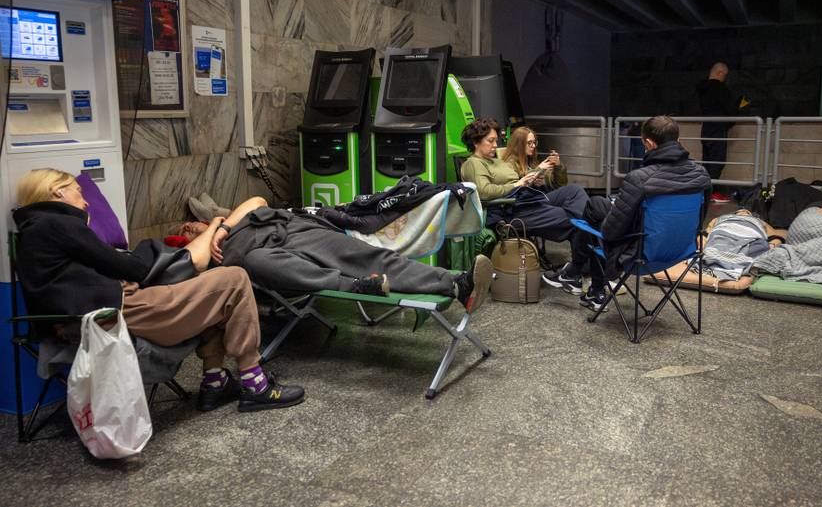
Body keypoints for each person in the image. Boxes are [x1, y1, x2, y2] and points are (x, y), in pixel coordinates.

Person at [13, 169, 305, 413]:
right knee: (234, 279)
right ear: (58, 192)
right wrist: (150, 254)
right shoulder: (59, 223)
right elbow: (130, 269)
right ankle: (255, 384)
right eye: (78, 191)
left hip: (82, 321)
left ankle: (215, 384)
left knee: (213, 296)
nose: (86, 201)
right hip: (119, 312)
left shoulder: (30, 230)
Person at [174, 197, 493, 314]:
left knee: (366, 256)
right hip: (258, 258)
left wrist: (219, 225)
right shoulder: (193, 256)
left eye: (191, 224)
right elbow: (197, 262)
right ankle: (355, 286)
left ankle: (455, 284)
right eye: (185, 230)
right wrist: (203, 237)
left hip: (290, 228)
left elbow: (257, 200)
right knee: (256, 263)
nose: (188, 228)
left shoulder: (224, 225)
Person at [578, 116, 711, 309]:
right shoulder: (701, 174)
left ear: (647, 143)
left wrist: (617, 211)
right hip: (682, 251)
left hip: (641, 256)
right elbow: (699, 219)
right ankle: (580, 275)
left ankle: (590, 282)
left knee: (595, 208)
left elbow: (610, 233)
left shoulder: (639, 178)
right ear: (678, 140)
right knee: (603, 206)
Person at [459, 118, 592, 295]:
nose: (495, 145)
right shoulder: (473, 163)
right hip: (510, 210)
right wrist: (518, 184)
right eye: (490, 141)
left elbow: (517, 176)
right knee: (578, 220)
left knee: (576, 192)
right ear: (476, 142)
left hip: (526, 201)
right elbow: (484, 192)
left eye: (496, 140)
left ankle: (578, 271)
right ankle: (585, 270)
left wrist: (530, 180)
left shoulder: (496, 160)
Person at [697, 61, 735, 203]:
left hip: (706, 129)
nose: (725, 78)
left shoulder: (702, 89)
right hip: (718, 129)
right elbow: (730, 110)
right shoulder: (720, 89)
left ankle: (705, 191)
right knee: (717, 162)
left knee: (707, 162)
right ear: (720, 73)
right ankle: (711, 193)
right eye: (724, 75)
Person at [501, 126, 567, 191]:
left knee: (571, 190)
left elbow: (560, 185)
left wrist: (558, 166)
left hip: (541, 196)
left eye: (534, 142)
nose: (534, 146)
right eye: (529, 143)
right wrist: (539, 169)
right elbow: (515, 189)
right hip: (527, 200)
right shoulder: (510, 164)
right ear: (519, 144)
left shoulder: (532, 161)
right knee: (574, 190)